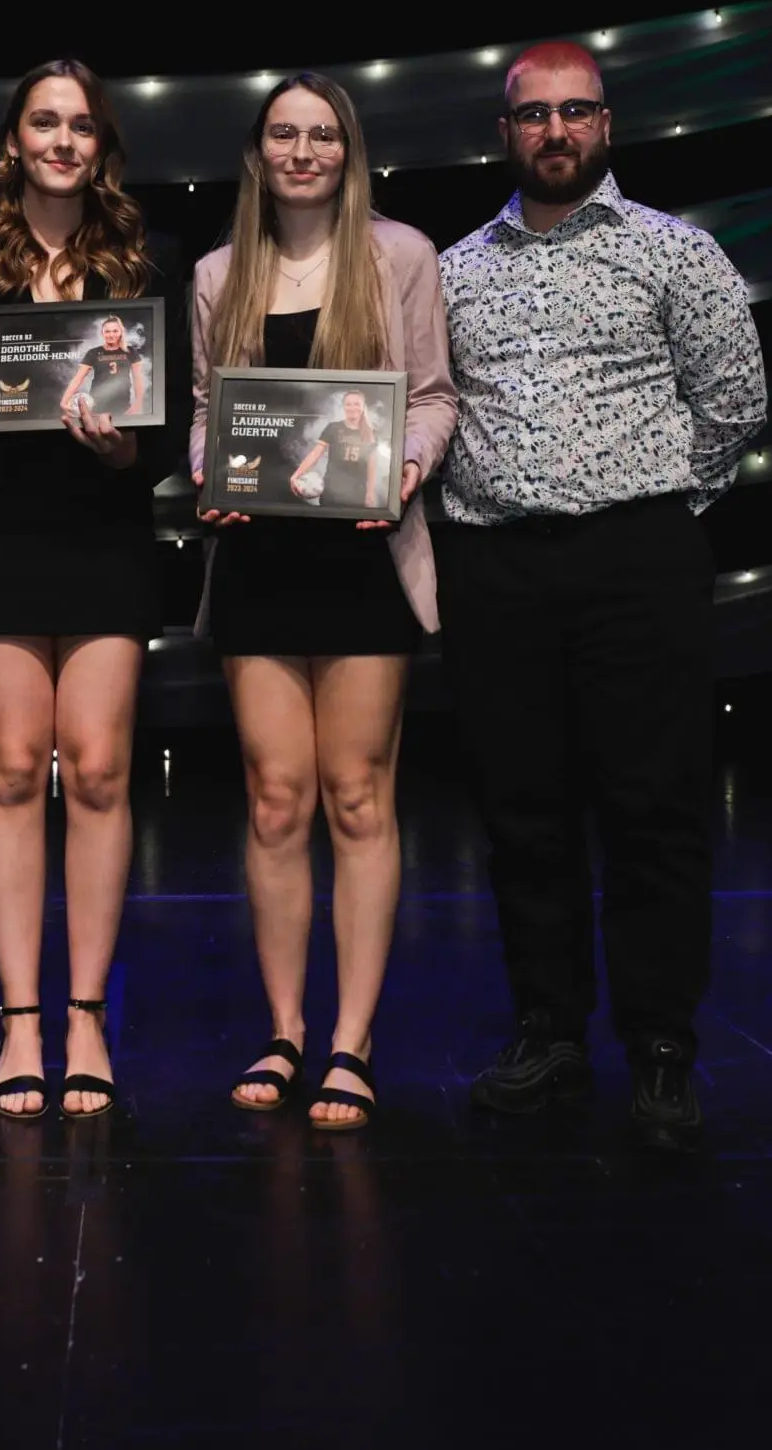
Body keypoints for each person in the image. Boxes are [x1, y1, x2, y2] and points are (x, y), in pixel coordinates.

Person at [437, 42, 764, 1151]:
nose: (556, 131)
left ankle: (661, 1044)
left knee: (653, 809)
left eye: (575, 111)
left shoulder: (675, 250)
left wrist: (652, 509)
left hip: (637, 561)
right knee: (521, 813)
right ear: (506, 133)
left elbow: (733, 403)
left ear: (607, 125)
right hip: (495, 566)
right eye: (534, 115)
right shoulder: (452, 271)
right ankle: (549, 1030)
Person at [0, 59, 188, 1119]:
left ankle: (87, 1016)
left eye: (80, 125)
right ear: (13, 140)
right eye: (43, 122)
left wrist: (127, 453)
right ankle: (20, 1019)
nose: (62, 141)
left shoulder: (151, 261)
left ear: (101, 145)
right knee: (15, 770)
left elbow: (170, 421)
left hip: (106, 535)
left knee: (102, 771)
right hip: (4, 538)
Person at [190, 72, 459, 1131]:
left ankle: (352, 1039)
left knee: (356, 797)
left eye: (323, 135)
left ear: (348, 152)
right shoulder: (218, 272)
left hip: (364, 561)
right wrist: (210, 471)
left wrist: (405, 466)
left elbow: (432, 397)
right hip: (258, 562)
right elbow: (206, 414)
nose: (302, 152)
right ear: (257, 153)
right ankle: (284, 1028)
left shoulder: (401, 255)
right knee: (274, 798)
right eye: (283, 134)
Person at [291, 391, 384, 512]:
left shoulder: (371, 433)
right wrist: (296, 475)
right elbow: (315, 454)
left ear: (363, 406)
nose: (352, 408)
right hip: (331, 492)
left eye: (356, 404)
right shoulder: (333, 428)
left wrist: (370, 491)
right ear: (343, 407)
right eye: (348, 404)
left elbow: (372, 464)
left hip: (356, 495)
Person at [59, 313, 149, 419]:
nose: (111, 335)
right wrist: (64, 401)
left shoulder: (130, 351)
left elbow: (138, 379)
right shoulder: (93, 353)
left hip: (122, 404)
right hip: (97, 404)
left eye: (115, 331)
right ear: (102, 333)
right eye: (107, 331)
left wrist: (138, 403)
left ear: (121, 332)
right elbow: (78, 379)